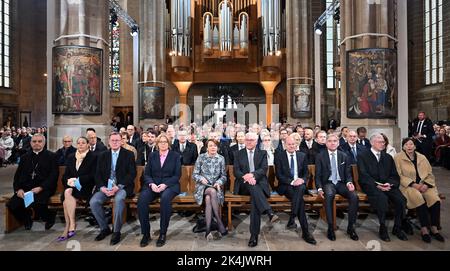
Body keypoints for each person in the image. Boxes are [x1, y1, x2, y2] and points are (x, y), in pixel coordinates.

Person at [357, 133, 408, 242]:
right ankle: (383, 227)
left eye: (383, 142)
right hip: (371, 185)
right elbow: (363, 175)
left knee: (401, 200)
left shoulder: (388, 157)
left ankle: (397, 228)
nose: (383, 144)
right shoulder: (363, 155)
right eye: (380, 142)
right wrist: (377, 185)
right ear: (372, 143)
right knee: (382, 199)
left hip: (387, 185)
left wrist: (389, 184)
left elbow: (394, 174)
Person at [90, 132, 136, 246]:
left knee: (119, 200)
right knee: (94, 202)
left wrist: (118, 186)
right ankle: (104, 228)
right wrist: (102, 187)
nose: (115, 142)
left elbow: (132, 174)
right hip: (106, 187)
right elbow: (97, 174)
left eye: (117, 140)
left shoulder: (129, 154)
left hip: (122, 186)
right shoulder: (102, 155)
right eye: (112, 140)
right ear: (109, 142)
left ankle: (116, 231)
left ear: (121, 141)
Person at [394, 138, 444, 243]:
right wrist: (413, 184)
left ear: (415, 146)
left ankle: (434, 228)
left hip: (424, 185)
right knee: (418, 198)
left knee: (435, 199)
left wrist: (426, 184)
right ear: (403, 147)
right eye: (406, 144)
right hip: (408, 187)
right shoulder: (398, 158)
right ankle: (424, 229)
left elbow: (430, 173)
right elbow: (398, 176)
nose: (409, 146)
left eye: (411, 144)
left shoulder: (422, 157)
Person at [233, 132, 279, 247]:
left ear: (256, 141)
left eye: (251, 140)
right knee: (253, 186)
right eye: (247, 139)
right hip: (243, 185)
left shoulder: (262, 153)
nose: (249, 141)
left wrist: (252, 175)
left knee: (255, 202)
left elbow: (263, 169)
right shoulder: (238, 153)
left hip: (259, 184)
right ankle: (269, 212)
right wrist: (246, 177)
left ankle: (254, 236)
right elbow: (236, 171)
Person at [7, 134, 58, 230]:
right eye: (34, 141)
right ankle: (26, 218)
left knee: (38, 203)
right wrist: (18, 189)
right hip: (26, 187)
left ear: (44, 143)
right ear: (30, 143)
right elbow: (17, 176)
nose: (37, 144)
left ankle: (49, 217)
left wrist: (41, 187)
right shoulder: (25, 157)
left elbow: (53, 176)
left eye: (39, 141)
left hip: (44, 188)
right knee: (12, 204)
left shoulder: (51, 156)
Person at [138, 134, 181, 247]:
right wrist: (151, 184)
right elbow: (147, 174)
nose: (163, 144)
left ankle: (162, 233)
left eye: (165, 142)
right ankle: (146, 234)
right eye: (161, 142)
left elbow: (177, 175)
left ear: (168, 143)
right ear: (157, 144)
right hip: (153, 185)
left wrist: (165, 184)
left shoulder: (175, 156)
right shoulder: (152, 155)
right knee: (142, 199)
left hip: (170, 186)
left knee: (165, 199)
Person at [315, 134, 359, 241]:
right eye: (330, 141)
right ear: (326, 143)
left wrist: (349, 182)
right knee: (329, 195)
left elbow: (348, 174)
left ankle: (351, 227)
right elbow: (318, 175)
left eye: (335, 141)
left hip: (341, 183)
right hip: (328, 182)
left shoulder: (343, 155)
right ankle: (330, 227)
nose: (332, 143)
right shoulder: (320, 156)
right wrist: (319, 188)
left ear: (338, 143)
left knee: (354, 197)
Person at [274, 136, 316, 245]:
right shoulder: (279, 156)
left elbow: (306, 173)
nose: (292, 146)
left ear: (296, 145)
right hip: (286, 185)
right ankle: (305, 231)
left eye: (293, 144)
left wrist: (302, 179)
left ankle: (293, 217)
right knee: (300, 201)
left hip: (300, 185)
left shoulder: (302, 156)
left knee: (301, 188)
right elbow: (279, 175)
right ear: (285, 145)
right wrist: (292, 182)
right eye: (289, 144)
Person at [57, 137, 97, 241]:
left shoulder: (93, 156)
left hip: (86, 187)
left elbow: (93, 175)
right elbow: (65, 175)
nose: (80, 145)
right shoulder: (71, 157)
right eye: (78, 143)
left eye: (83, 143)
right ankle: (71, 224)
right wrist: (69, 181)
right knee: (67, 191)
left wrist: (78, 180)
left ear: (88, 144)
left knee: (66, 198)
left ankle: (69, 226)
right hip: (72, 187)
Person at [193, 139, 228, 240]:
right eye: (210, 146)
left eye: (215, 146)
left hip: (215, 186)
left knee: (209, 198)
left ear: (217, 147)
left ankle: (208, 230)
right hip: (202, 187)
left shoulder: (221, 158)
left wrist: (219, 182)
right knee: (211, 192)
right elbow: (194, 174)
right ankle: (219, 221)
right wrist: (201, 178)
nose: (213, 147)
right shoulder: (201, 157)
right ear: (207, 147)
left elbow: (224, 176)